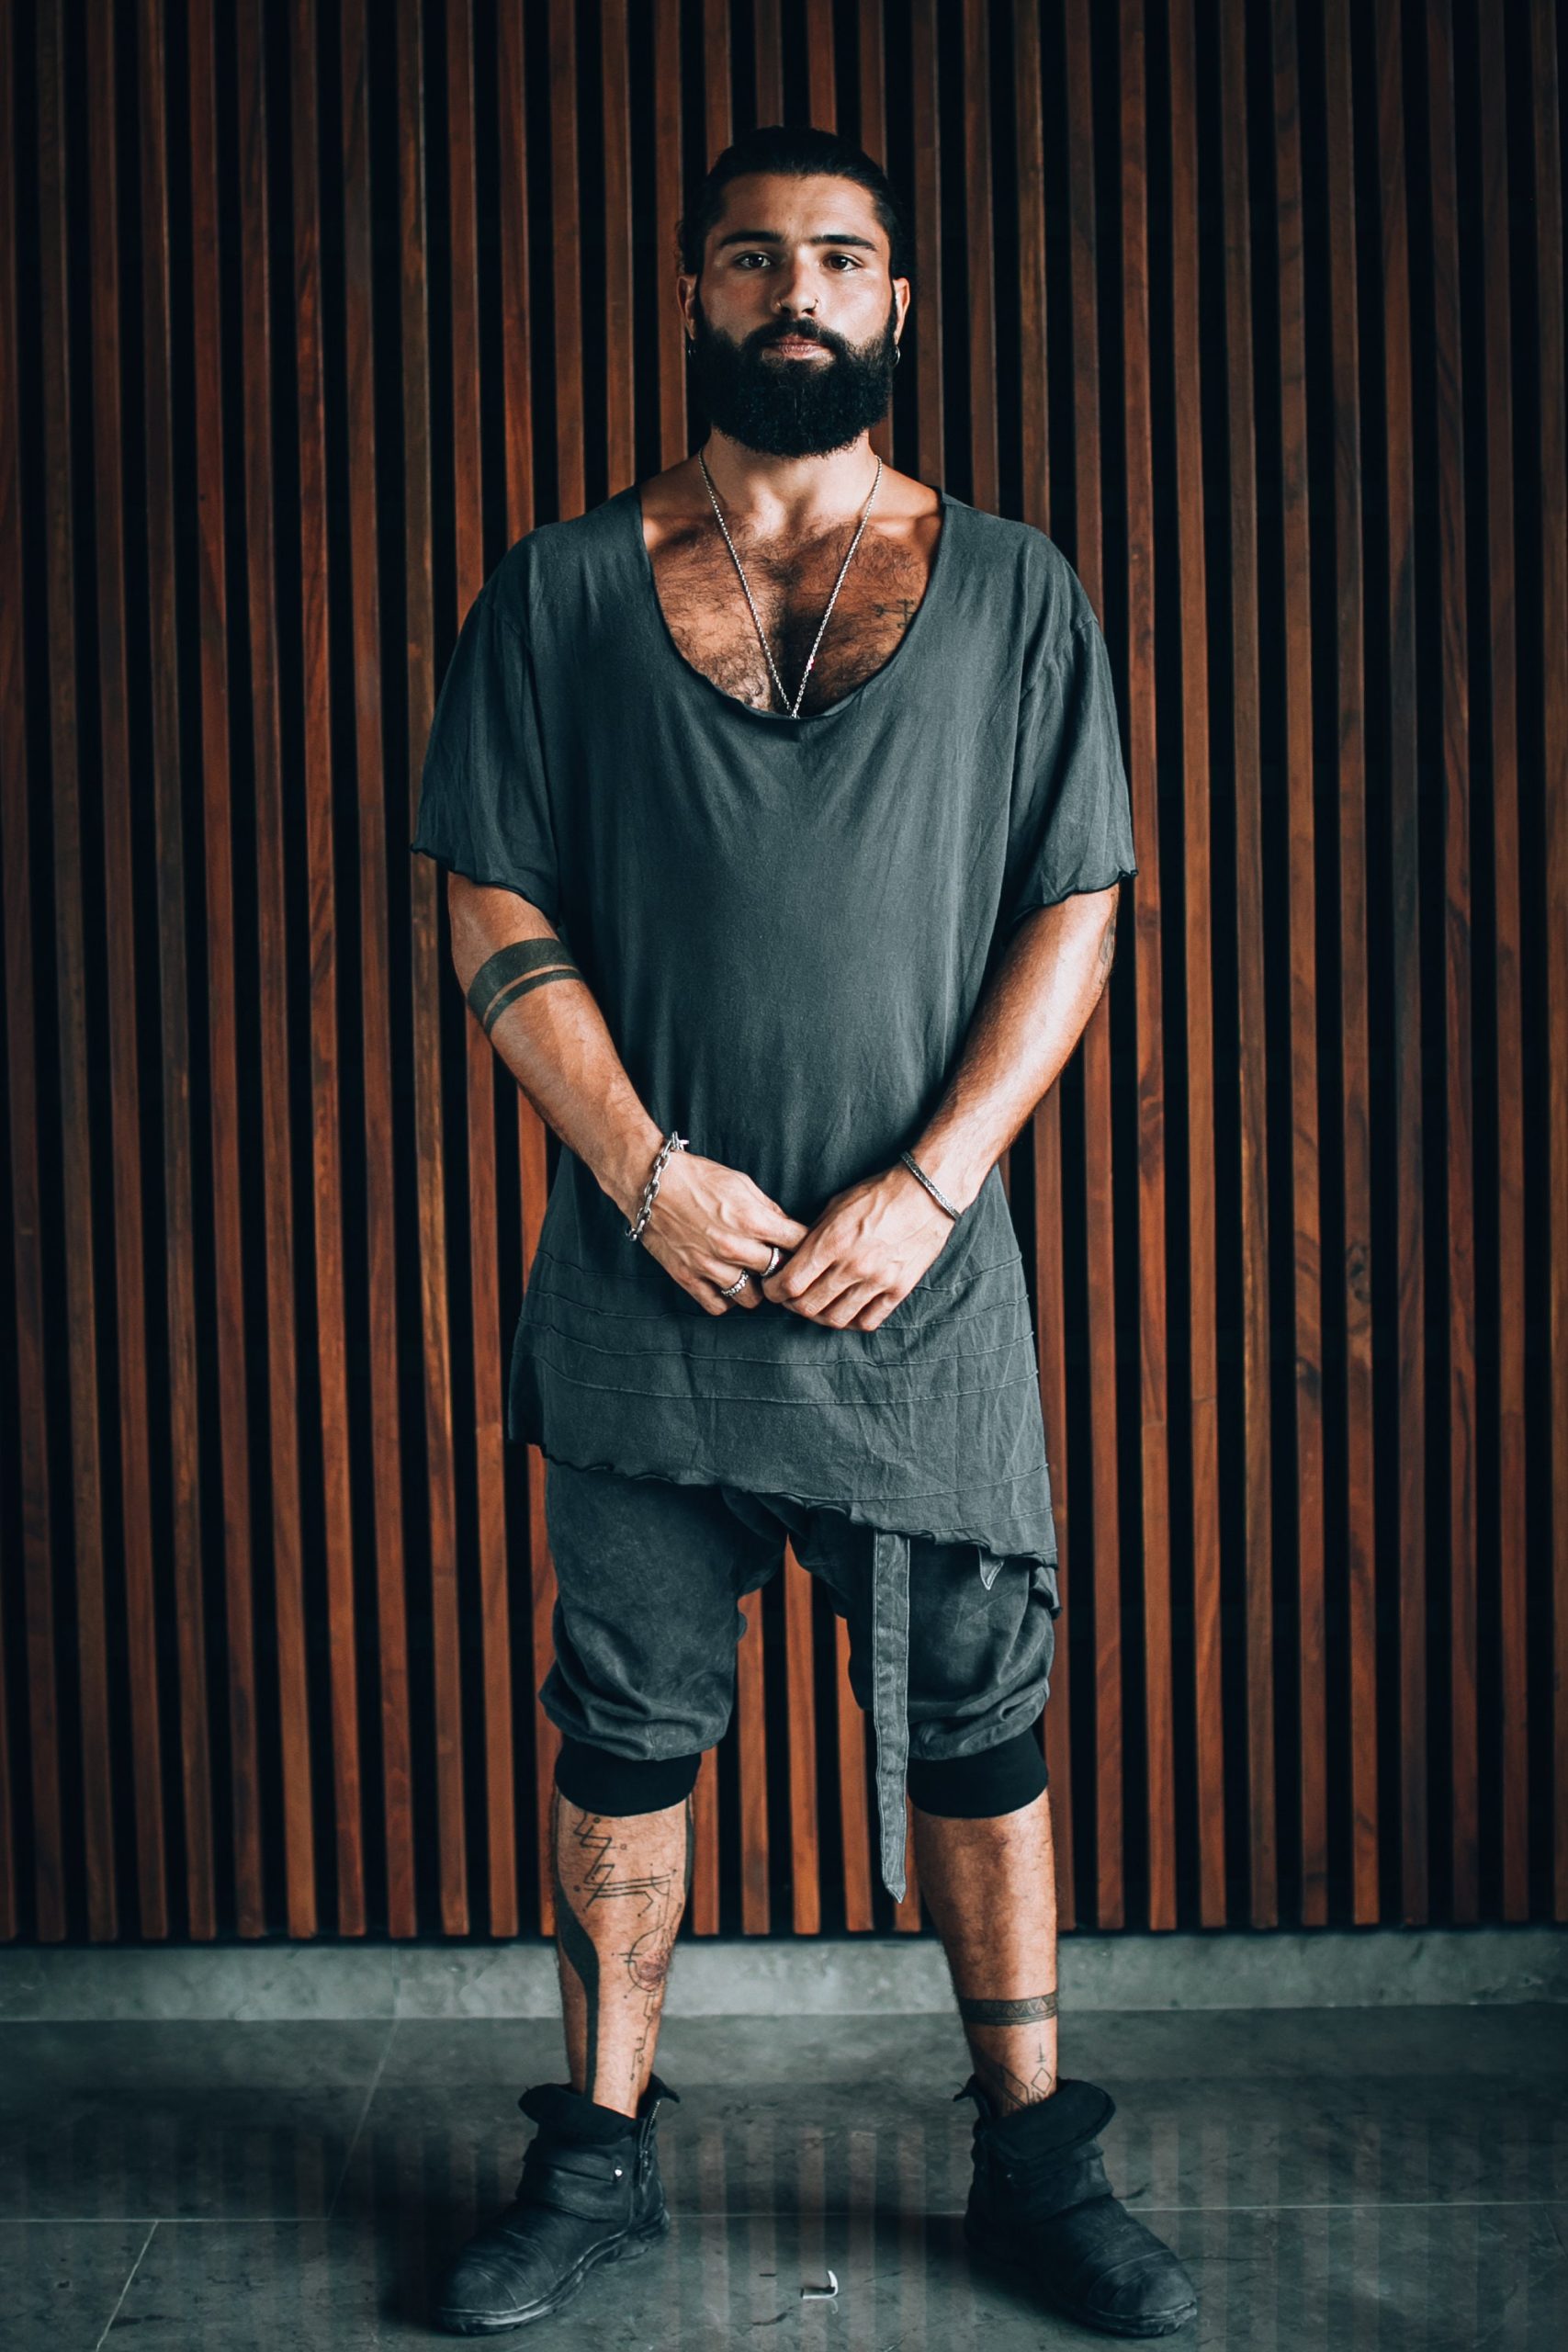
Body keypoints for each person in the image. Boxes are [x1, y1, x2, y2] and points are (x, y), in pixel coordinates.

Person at [412, 122, 1197, 2341]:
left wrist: (930, 1183)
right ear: (692, 292)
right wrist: (644, 1171)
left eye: (838, 258)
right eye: (752, 256)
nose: (796, 291)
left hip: (913, 1285)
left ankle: (1034, 2158)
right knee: (621, 1719)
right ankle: (592, 2155)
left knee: (979, 1711)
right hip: (644, 1269)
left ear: (894, 303)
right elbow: (488, 891)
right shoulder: (562, 588)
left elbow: (1074, 901)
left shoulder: (1015, 588)